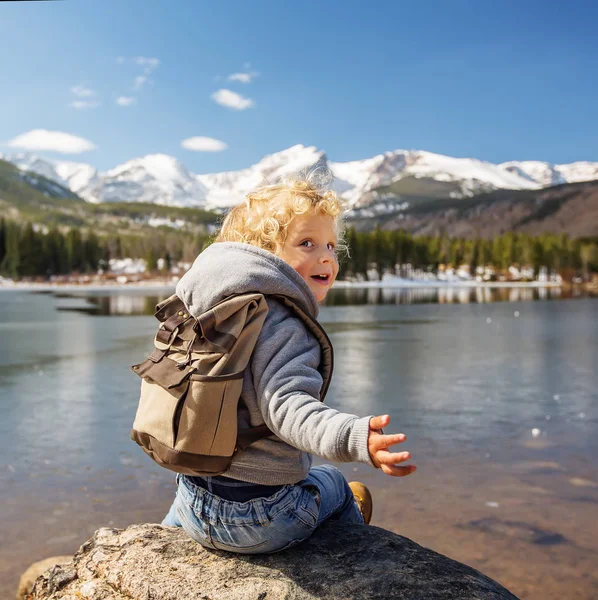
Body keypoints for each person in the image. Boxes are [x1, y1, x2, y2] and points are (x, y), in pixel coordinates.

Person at [161, 174, 416, 553]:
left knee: (210, 486)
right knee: (335, 484)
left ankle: (166, 534)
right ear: (263, 254)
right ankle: (347, 562)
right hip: (260, 519)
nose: (327, 256)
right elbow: (290, 409)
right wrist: (355, 437)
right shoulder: (282, 324)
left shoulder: (204, 308)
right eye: (307, 243)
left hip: (192, 498)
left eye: (330, 244)